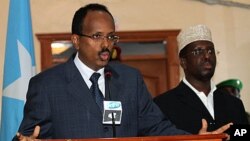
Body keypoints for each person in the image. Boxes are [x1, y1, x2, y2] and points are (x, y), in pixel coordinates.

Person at [14, 4, 231, 140]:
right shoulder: (47, 85)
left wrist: (194, 140)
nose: (106, 44)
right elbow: (26, 135)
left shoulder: (129, 79)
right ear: (76, 40)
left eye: (111, 36)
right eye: (97, 36)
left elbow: (157, 126)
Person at [154, 24, 248, 135]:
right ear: (183, 61)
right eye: (198, 51)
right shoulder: (163, 105)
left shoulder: (234, 104)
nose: (207, 56)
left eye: (210, 51)